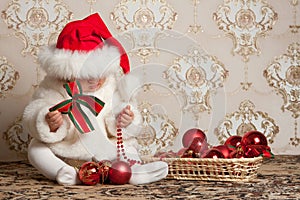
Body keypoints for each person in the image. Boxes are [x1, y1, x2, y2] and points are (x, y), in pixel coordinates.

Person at [22, 13, 168, 185]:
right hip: (66, 153)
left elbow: (117, 112)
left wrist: (124, 119)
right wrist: (49, 122)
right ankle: (64, 173)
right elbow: (35, 110)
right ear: (69, 73)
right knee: (35, 148)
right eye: (89, 75)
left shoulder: (109, 86)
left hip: (106, 151)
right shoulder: (53, 87)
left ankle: (132, 172)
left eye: (101, 74)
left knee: (128, 146)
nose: (97, 81)